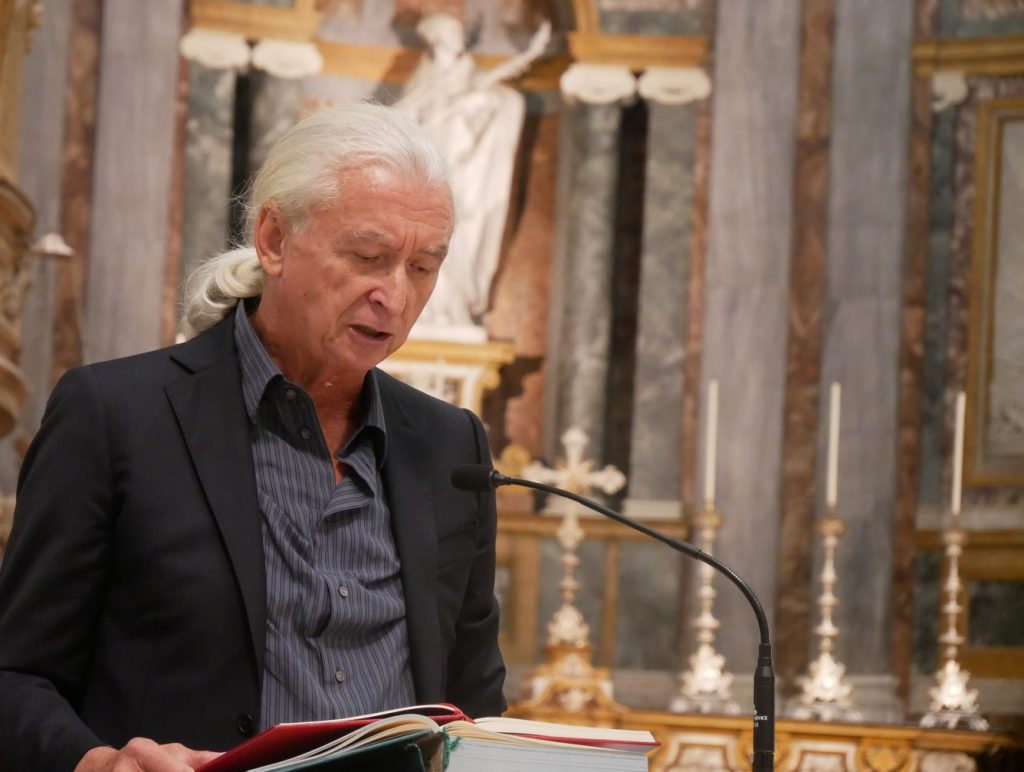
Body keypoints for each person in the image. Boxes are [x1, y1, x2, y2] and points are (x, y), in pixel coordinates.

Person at [0, 102, 506, 771]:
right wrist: (96, 762)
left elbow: (476, 709)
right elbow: (15, 678)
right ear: (274, 239)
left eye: (422, 267)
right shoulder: (115, 415)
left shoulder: (452, 448)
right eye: (368, 256)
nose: (396, 295)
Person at [395, 13, 549, 335]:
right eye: (451, 34)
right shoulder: (425, 78)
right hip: (428, 171)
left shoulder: (473, 77)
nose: (457, 40)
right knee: (421, 235)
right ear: (437, 40)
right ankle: (422, 307)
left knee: (460, 234)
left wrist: (480, 104)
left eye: (457, 34)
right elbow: (403, 116)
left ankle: (452, 307)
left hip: (463, 169)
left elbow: (499, 98)